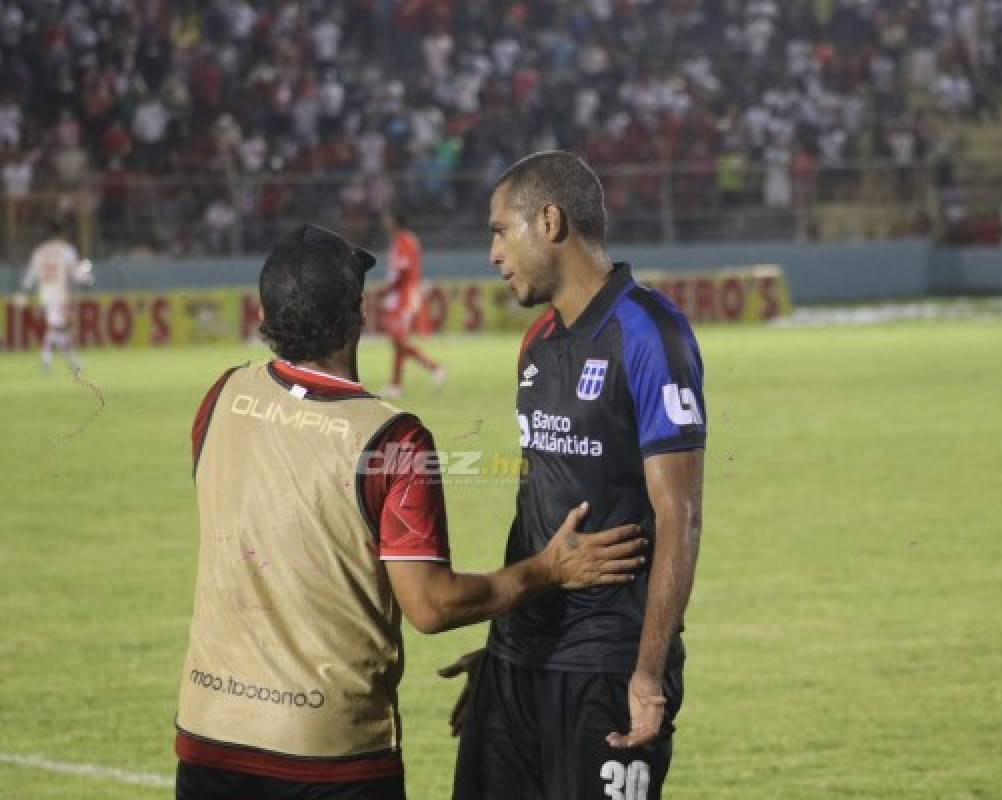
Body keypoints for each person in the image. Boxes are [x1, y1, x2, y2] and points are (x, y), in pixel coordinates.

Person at [174, 224, 648, 800]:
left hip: (206, 736)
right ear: (359, 312)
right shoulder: (391, 440)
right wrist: (550, 569)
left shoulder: (220, 397)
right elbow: (431, 604)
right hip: (327, 752)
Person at [446, 151, 706, 800]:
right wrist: (503, 646)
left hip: (604, 667)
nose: (492, 253)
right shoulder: (536, 342)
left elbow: (680, 513)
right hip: (517, 665)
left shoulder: (650, 331)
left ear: (551, 222)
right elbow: (536, 497)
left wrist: (647, 673)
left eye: (501, 230)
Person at [378, 206, 444, 396]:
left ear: (394, 222)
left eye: (388, 218)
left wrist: (387, 289)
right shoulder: (400, 241)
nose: (385, 222)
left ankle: (434, 368)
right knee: (397, 342)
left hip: (403, 297)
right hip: (398, 296)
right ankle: (396, 385)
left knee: (398, 340)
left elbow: (403, 271)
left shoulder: (405, 241)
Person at [15, 217, 93, 373]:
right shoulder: (66, 250)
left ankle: (71, 362)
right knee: (57, 329)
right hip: (59, 294)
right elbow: (76, 273)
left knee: (60, 328)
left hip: (44, 294)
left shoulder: (40, 251)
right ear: (62, 234)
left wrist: (23, 291)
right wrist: (87, 278)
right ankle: (47, 360)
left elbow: (31, 274)